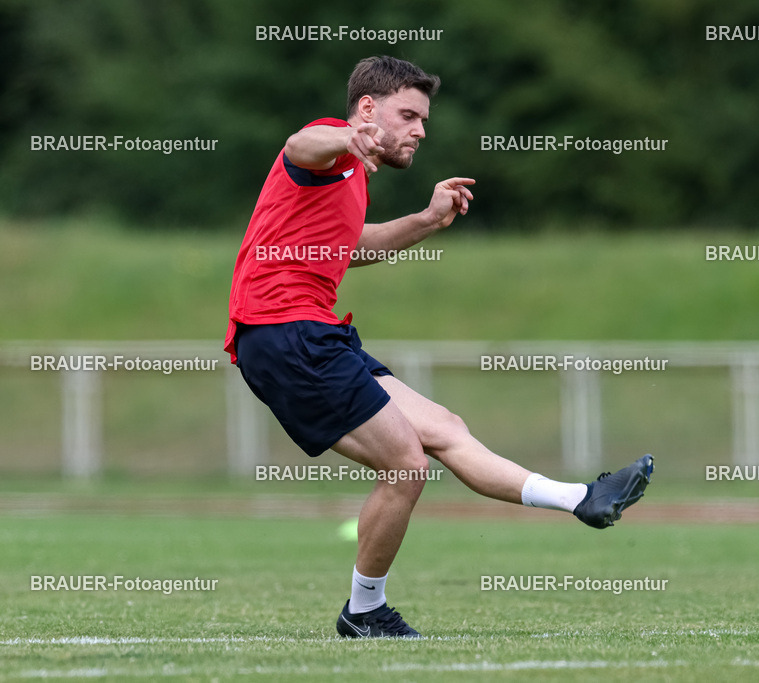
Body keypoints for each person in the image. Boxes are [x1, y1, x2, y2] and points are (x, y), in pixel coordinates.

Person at [224, 55, 654, 639]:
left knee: (446, 428)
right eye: (409, 115)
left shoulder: (350, 178)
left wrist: (427, 219)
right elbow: (302, 143)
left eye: (423, 119)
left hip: (313, 330)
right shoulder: (325, 150)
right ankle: (365, 611)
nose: (421, 130)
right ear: (369, 109)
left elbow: (354, 248)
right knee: (406, 462)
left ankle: (583, 498)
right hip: (282, 331)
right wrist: (348, 136)